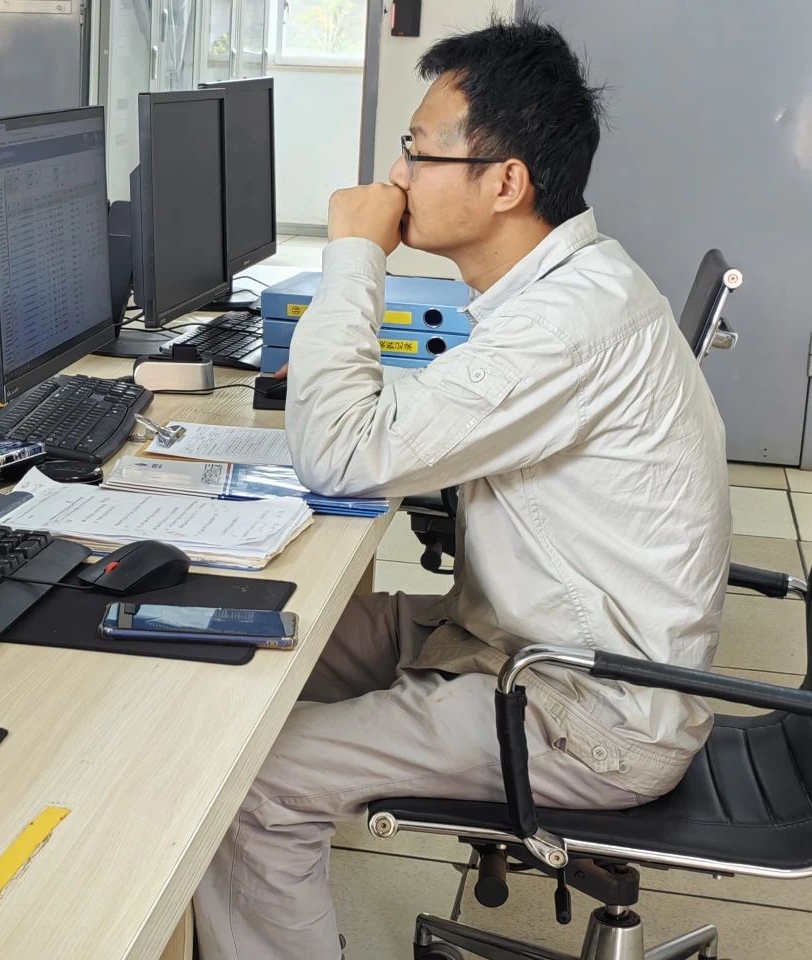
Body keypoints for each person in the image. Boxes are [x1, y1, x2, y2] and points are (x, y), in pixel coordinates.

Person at [193, 16, 731, 960]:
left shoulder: (568, 324)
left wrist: (353, 254)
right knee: (235, 629)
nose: (396, 175)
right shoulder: (570, 289)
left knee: (250, 782)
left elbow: (341, 455)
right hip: (515, 643)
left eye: (417, 151)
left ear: (506, 183)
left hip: (584, 711)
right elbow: (437, 416)